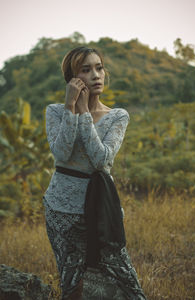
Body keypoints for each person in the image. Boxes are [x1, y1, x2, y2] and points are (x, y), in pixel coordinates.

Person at [43, 46, 147, 300]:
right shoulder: (55, 111)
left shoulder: (117, 116)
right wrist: (71, 107)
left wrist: (85, 113)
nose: (96, 75)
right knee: (72, 286)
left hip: (102, 210)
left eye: (99, 68)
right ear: (73, 79)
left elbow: (101, 160)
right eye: (86, 70)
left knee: (127, 283)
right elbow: (62, 153)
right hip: (61, 210)